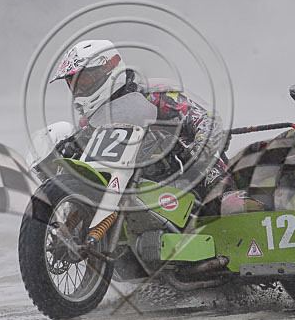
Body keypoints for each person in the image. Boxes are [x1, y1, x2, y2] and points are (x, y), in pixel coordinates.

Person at [49, 39, 235, 211]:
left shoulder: (154, 95)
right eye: (73, 85)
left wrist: (203, 142)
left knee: (223, 199)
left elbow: (206, 119)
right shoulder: (88, 123)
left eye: (84, 81)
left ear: (106, 70)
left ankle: (234, 201)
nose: (78, 91)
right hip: (127, 187)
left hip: (181, 173)